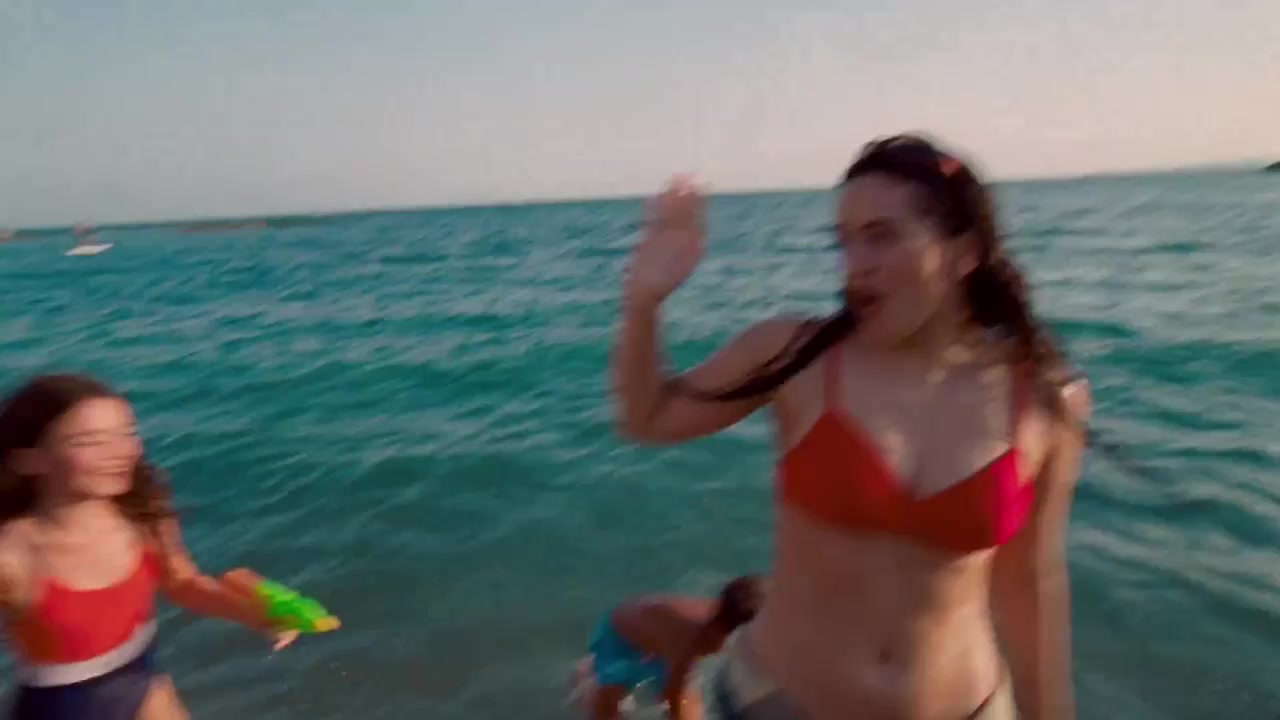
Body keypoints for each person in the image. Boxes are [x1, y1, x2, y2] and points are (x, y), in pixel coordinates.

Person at [611, 134, 1091, 720]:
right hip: (777, 704)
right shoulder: (798, 357)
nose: (855, 266)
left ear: (964, 252)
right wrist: (643, 302)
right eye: (843, 242)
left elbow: (1029, 585)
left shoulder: (1043, 398)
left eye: (881, 236)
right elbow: (648, 417)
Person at [0, 374, 299, 720]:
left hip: (144, 681)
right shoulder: (13, 555)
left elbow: (182, 583)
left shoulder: (141, 513)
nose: (121, 452)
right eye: (90, 441)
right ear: (28, 461)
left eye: (127, 433)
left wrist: (252, 612)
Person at [570, 575, 765, 720]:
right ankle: (588, 674)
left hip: (657, 639)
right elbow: (673, 693)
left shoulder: (718, 619)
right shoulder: (696, 638)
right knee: (605, 711)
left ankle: (592, 672)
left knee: (687, 706)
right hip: (619, 639)